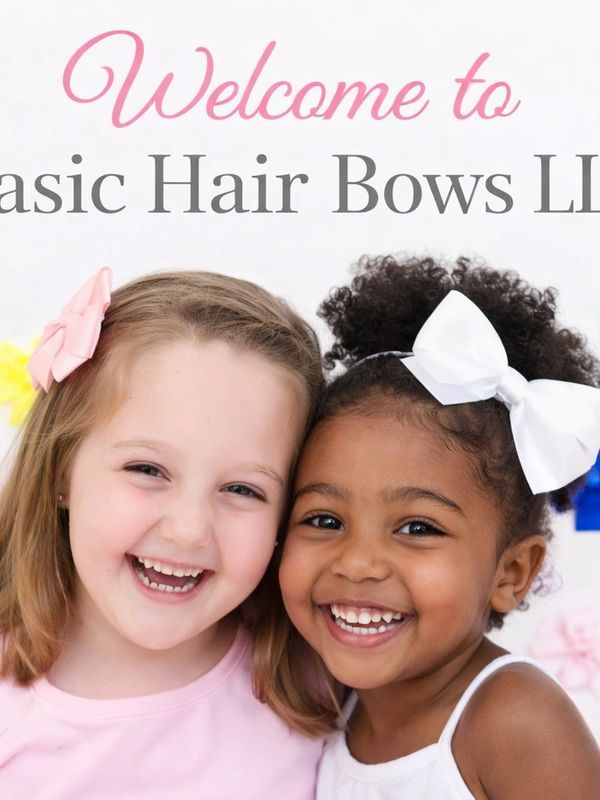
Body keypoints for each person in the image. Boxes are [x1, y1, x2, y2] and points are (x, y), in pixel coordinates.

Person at [262, 256, 600, 798]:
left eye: (418, 528)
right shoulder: (330, 698)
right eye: (324, 519)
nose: (357, 562)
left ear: (511, 573)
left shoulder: (516, 722)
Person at [0, 267, 324, 799]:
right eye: (147, 470)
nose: (188, 529)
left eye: (243, 490)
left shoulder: (316, 686)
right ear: (62, 471)